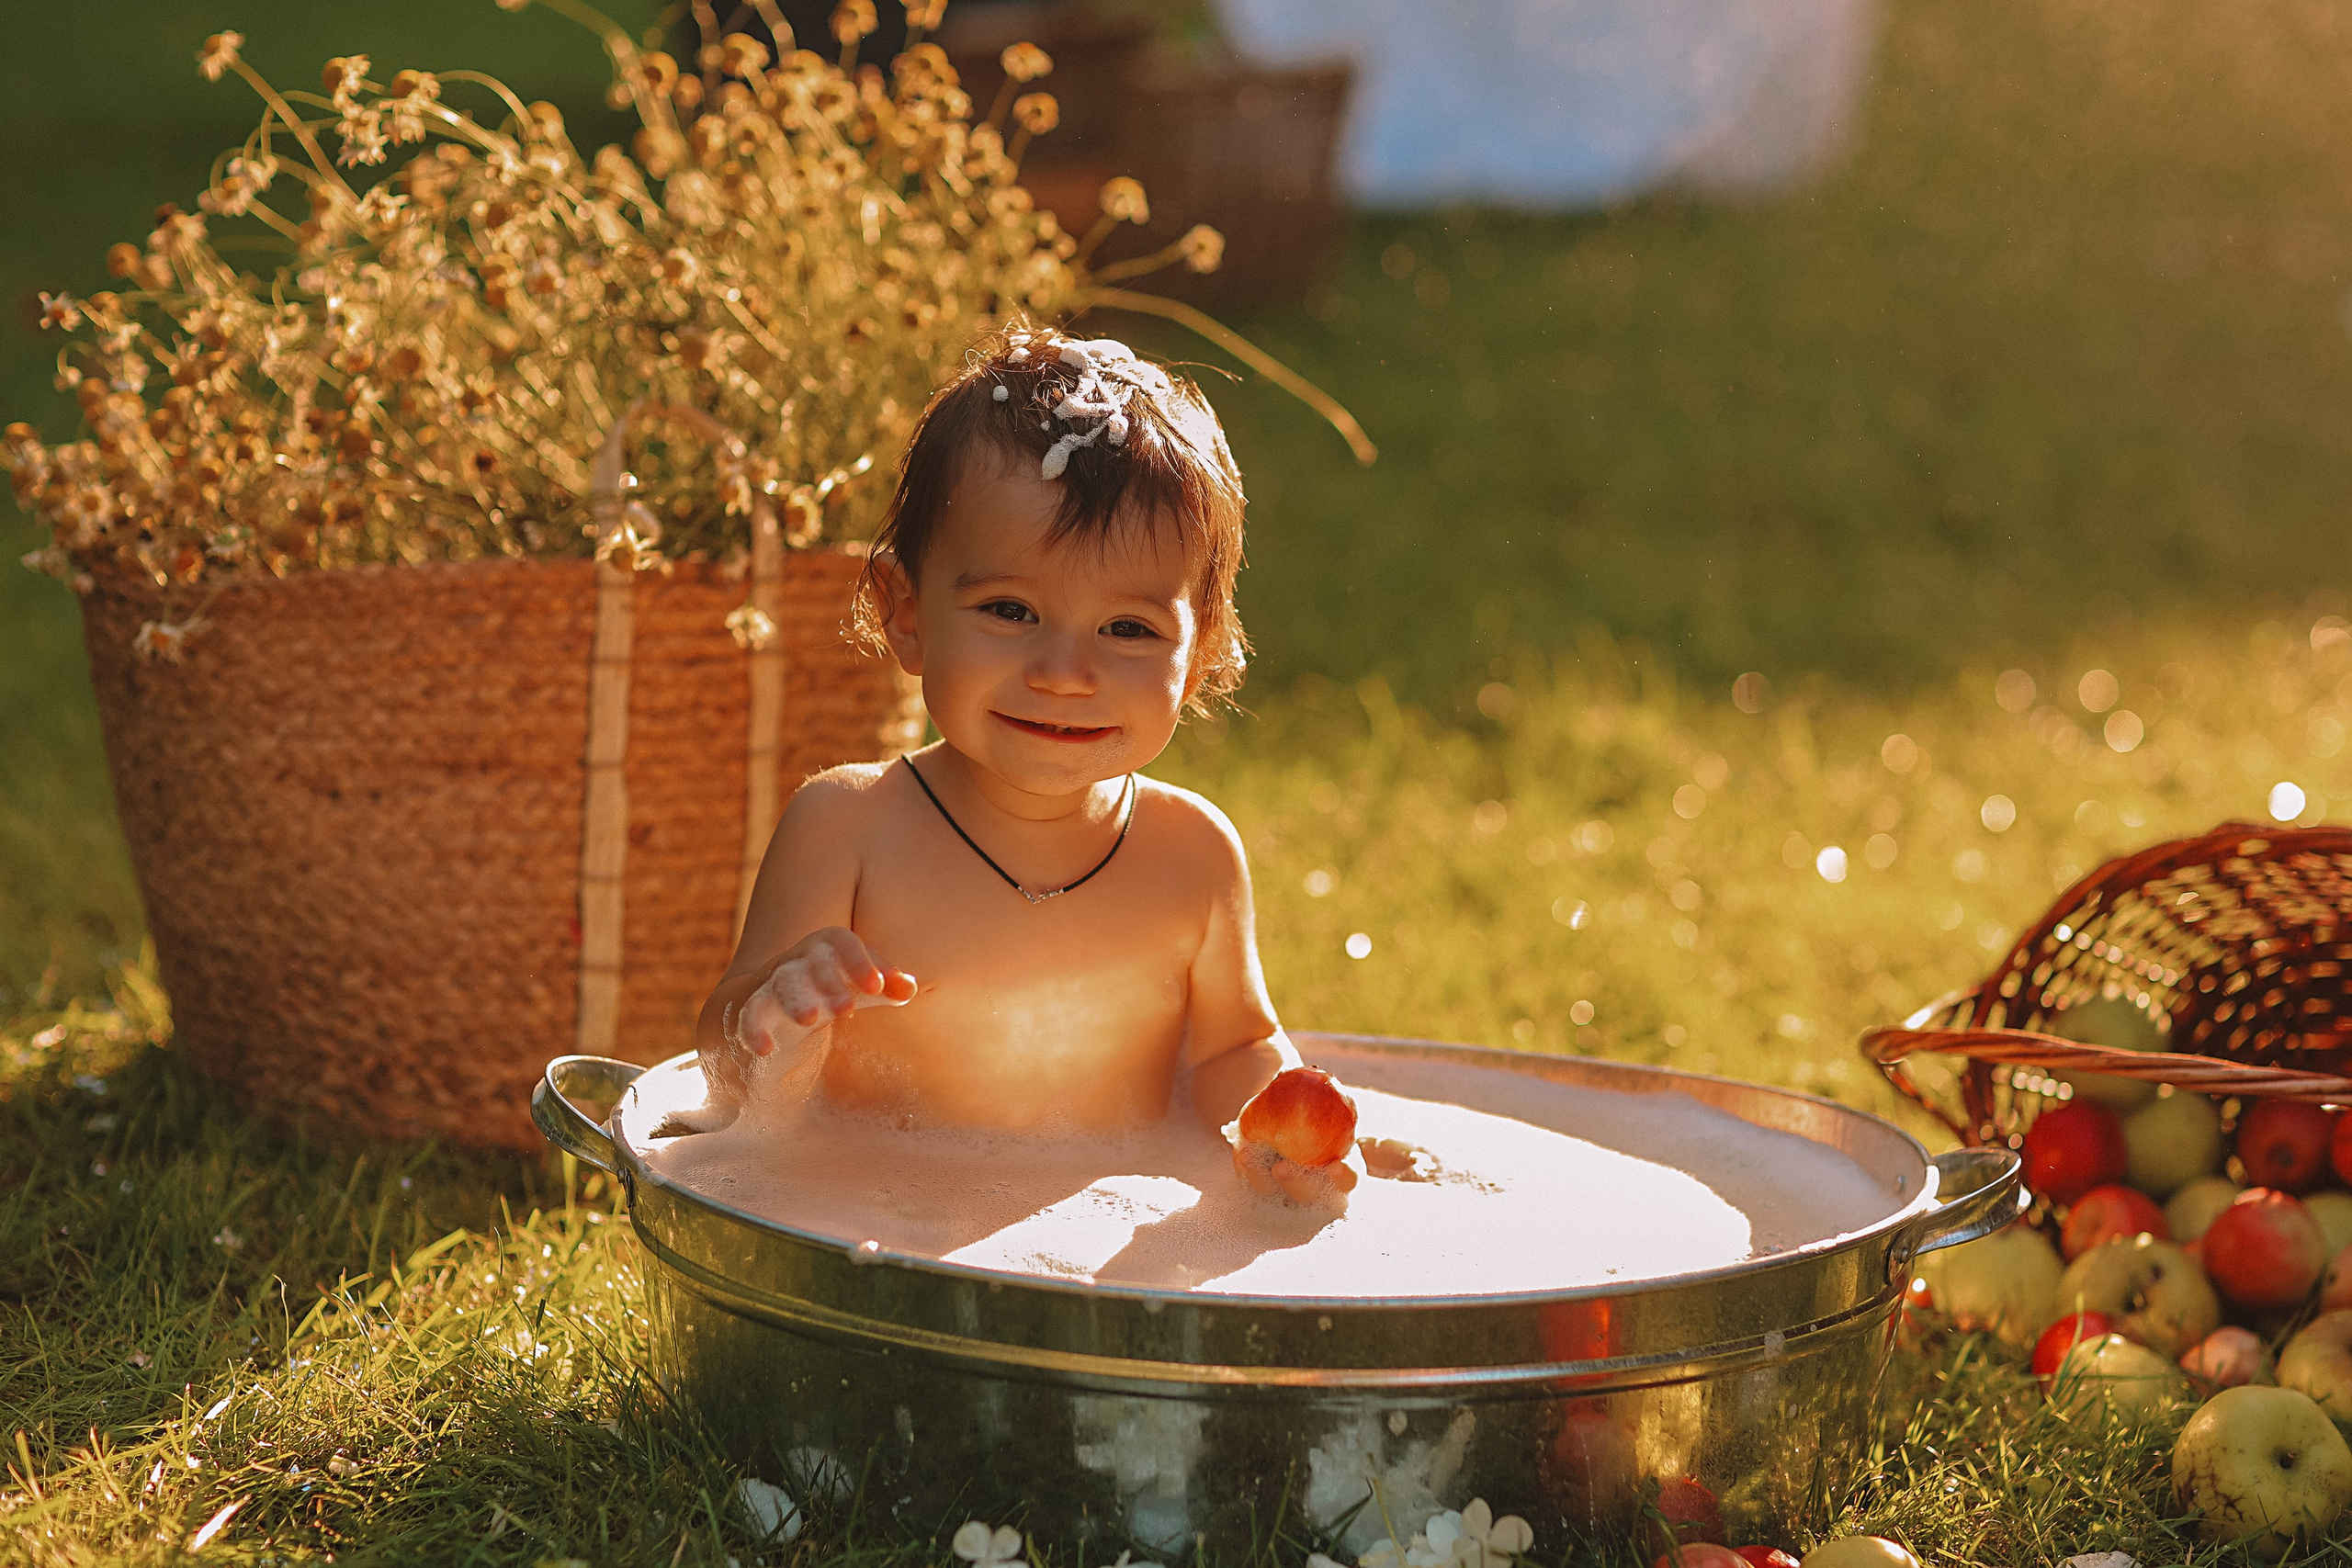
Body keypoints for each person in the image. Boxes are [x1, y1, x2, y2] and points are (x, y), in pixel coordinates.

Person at [690, 324, 1371, 1202]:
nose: (1063, 675)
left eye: (1128, 630)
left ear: (1199, 656)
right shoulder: (849, 829)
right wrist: (773, 1016)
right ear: (906, 613)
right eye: (1010, 610)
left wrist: (1281, 1135)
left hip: (1103, 1238)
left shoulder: (1193, 854)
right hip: (876, 1223)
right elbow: (715, 1059)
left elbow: (1232, 1049)